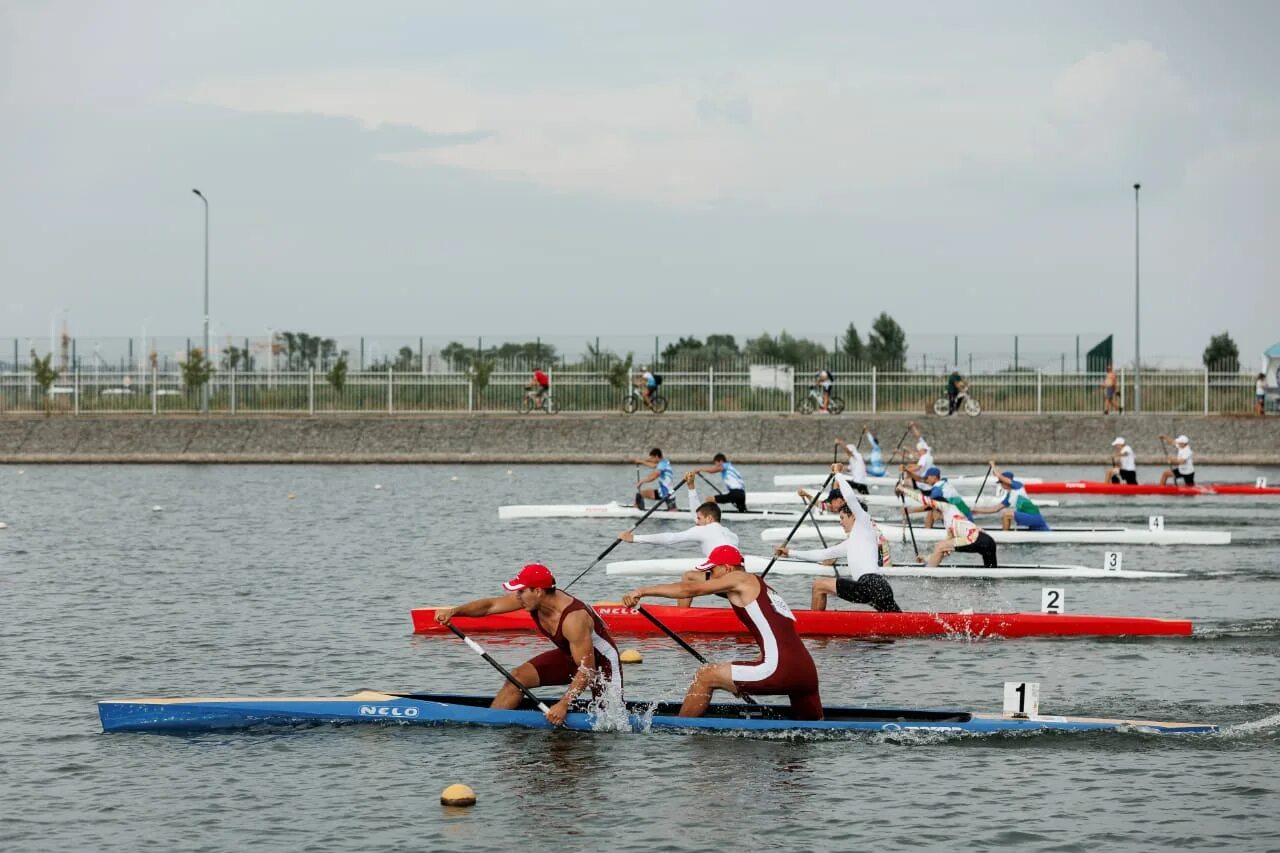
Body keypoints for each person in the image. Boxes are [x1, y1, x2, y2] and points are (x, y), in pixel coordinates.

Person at [622, 545, 823, 720]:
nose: (710, 577)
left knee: (706, 675)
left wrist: (642, 591)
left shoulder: (738, 577)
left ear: (727, 568)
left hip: (778, 669)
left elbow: (690, 589)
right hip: (806, 671)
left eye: (712, 571)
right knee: (813, 730)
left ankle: (679, 732)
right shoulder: (761, 586)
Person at [434, 564, 622, 725]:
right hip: (572, 656)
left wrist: (564, 704)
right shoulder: (531, 600)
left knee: (610, 721)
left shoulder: (573, 619)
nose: (518, 596)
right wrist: (454, 611)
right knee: (517, 678)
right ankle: (489, 724)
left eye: (521, 590)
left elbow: (587, 669)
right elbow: (490, 606)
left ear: (538, 591)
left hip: (601, 664)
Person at [774, 466, 901, 612]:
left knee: (818, 585)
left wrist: (838, 475)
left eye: (842, 518)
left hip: (870, 585)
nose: (840, 522)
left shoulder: (863, 523)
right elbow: (822, 554)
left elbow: (850, 498)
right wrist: (790, 553)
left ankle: (814, 626)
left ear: (852, 515)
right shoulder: (849, 543)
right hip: (880, 588)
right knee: (901, 623)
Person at [619, 473, 740, 607]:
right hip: (740, 579)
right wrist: (691, 487)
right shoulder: (730, 534)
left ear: (709, 519)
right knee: (689, 576)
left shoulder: (703, 530)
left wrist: (634, 538)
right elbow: (698, 513)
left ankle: (681, 615)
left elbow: (670, 538)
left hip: (725, 580)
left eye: (699, 519)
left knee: (688, 580)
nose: (696, 522)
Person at [897, 484, 998, 568]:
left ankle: (927, 574)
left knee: (940, 545)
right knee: (991, 575)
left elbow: (924, 500)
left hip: (977, 539)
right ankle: (928, 567)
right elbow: (945, 550)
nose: (931, 514)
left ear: (936, 507)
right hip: (988, 542)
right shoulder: (950, 522)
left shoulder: (947, 507)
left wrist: (903, 489)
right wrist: (926, 558)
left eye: (931, 511)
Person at [973, 464, 1050, 531]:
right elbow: (994, 509)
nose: (1001, 484)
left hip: (1034, 516)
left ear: (1007, 481)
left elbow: (999, 476)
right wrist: (976, 510)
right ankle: (1005, 533)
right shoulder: (1009, 498)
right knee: (1005, 515)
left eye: (1002, 482)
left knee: (1007, 514)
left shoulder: (1018, 485)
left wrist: (993, 465)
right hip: (1031, 520)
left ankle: (1005, 536)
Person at [901, 467, 973, 527]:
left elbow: (928, 506)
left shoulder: (937, 489)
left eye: (927, 477)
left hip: (961, 522)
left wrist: (909, 511)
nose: (926, 480)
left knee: (931, 509)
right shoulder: (944, 483)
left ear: (934, 477)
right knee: (938, 507)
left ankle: (927, 531)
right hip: (967, 518)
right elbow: (920, 479)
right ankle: (930, 529)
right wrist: (907, 471)